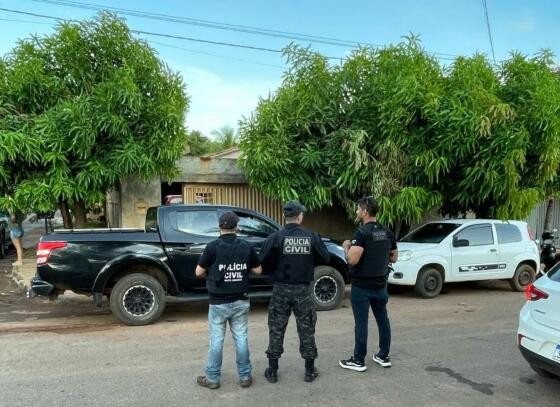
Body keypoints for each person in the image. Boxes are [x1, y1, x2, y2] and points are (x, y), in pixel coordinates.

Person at [259, 200, 330, 383]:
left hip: (280, 288)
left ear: (284, 216)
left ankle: (272, 371)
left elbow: (262, 261)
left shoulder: (275, 237)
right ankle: (309, 371)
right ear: (299, 216)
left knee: (276, 329)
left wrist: (273, 274)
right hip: (303, 290)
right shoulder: (312, 236)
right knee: (306, 329)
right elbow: (325, 257)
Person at [195, 211, 262, 390]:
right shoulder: (246, 246)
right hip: (241, 300)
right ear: (236, 227)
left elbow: (198, 272)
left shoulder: (211, 247)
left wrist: (213, 273)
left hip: (218, 302)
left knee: (216, 340)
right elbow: (258, 270)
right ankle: (245, 376)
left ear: (219, 228)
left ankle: (213, 378)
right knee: (241, 338)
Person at [339, 196, 398, 372]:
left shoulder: (361, 233)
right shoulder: (387, 232)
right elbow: (394, 257)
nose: (356, 212)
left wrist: (346, 247)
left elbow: (352, 260)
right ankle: (383, 355)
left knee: (361, 323)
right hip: (380, 286)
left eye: (358, 209)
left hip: (362, 288)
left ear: (365, 212)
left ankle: (358, 360)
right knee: (383, 320)